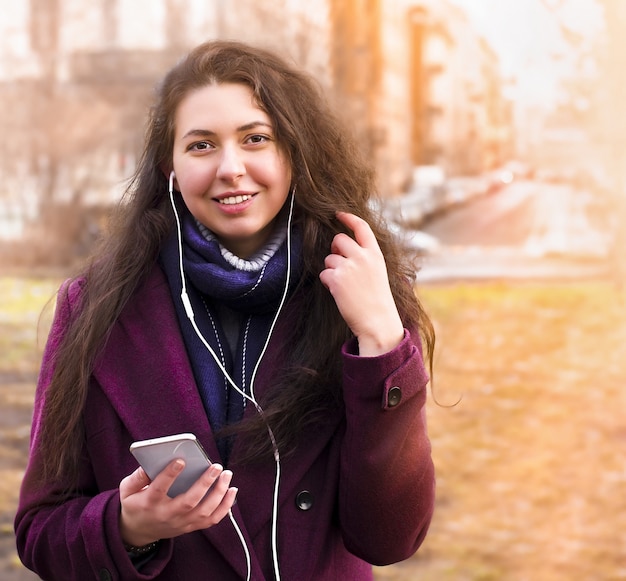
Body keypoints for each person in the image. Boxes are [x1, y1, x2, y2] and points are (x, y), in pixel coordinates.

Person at [15, 39, 436, 581]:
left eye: (255, 139)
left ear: (294, 152)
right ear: (169, 165)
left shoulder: (362, 292)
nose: (231, 168)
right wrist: (130, 527)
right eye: (201, 146)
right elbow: (40, 531)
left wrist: (381, 341)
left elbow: (390, 536)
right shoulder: (95, 308)